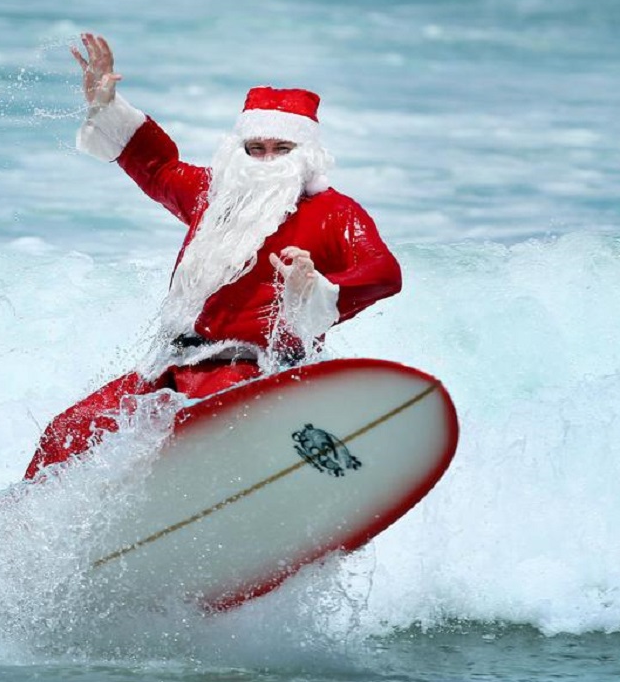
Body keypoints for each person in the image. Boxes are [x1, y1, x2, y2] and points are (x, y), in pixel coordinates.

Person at [23, 33, 401, 480]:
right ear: (237, 151)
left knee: (183, 445)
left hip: (258, 378)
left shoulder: (333, 211)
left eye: (281, 150)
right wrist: (108, 105)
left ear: (307, 155)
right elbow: (158, 167)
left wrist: (316, 285)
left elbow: (384, 272)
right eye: (255, 148)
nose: (265, 161)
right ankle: (16, 528)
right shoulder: (212, 198)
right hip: (173, 372)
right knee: (66, 433)